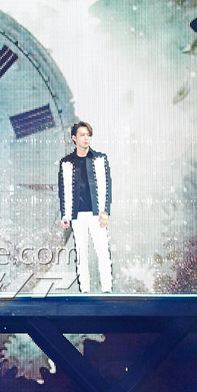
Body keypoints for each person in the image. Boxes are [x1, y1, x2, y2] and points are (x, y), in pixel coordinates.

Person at [58, 121, 113, 293]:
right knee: (81, 254)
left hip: (97, 213)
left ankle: (107, 289)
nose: (86, 138)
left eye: (88, 135)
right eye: (82, 135)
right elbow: (63, 191)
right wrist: (65, 215)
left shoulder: (99, 159)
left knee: (102, 251)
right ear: (74, 138)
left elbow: (107, 187)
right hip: (77, 214)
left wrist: (105, 211)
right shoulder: (67, 162)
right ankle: (85, 290)